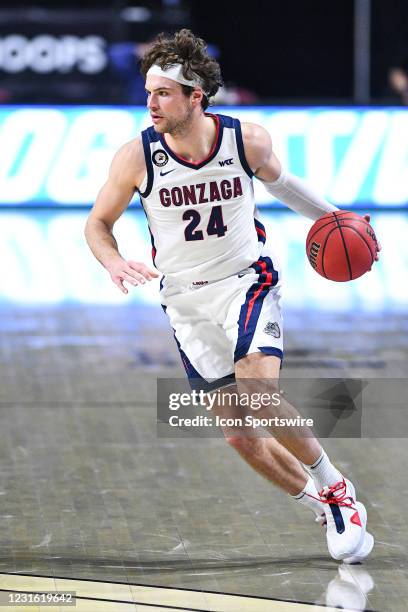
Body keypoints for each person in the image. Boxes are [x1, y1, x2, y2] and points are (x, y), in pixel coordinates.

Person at [85, 29, 379, 563]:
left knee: (258, 392)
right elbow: (98, 224)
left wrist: (338, 221)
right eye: (148, 91)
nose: (150, 102)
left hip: (247, 280)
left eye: (164, 93)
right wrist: (112, 260)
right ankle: (323, 504)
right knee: (241, 437)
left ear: (197, 97)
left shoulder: (245, 140)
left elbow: (285, 186)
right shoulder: (136, 156)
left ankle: (337, 488)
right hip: (185, 302)